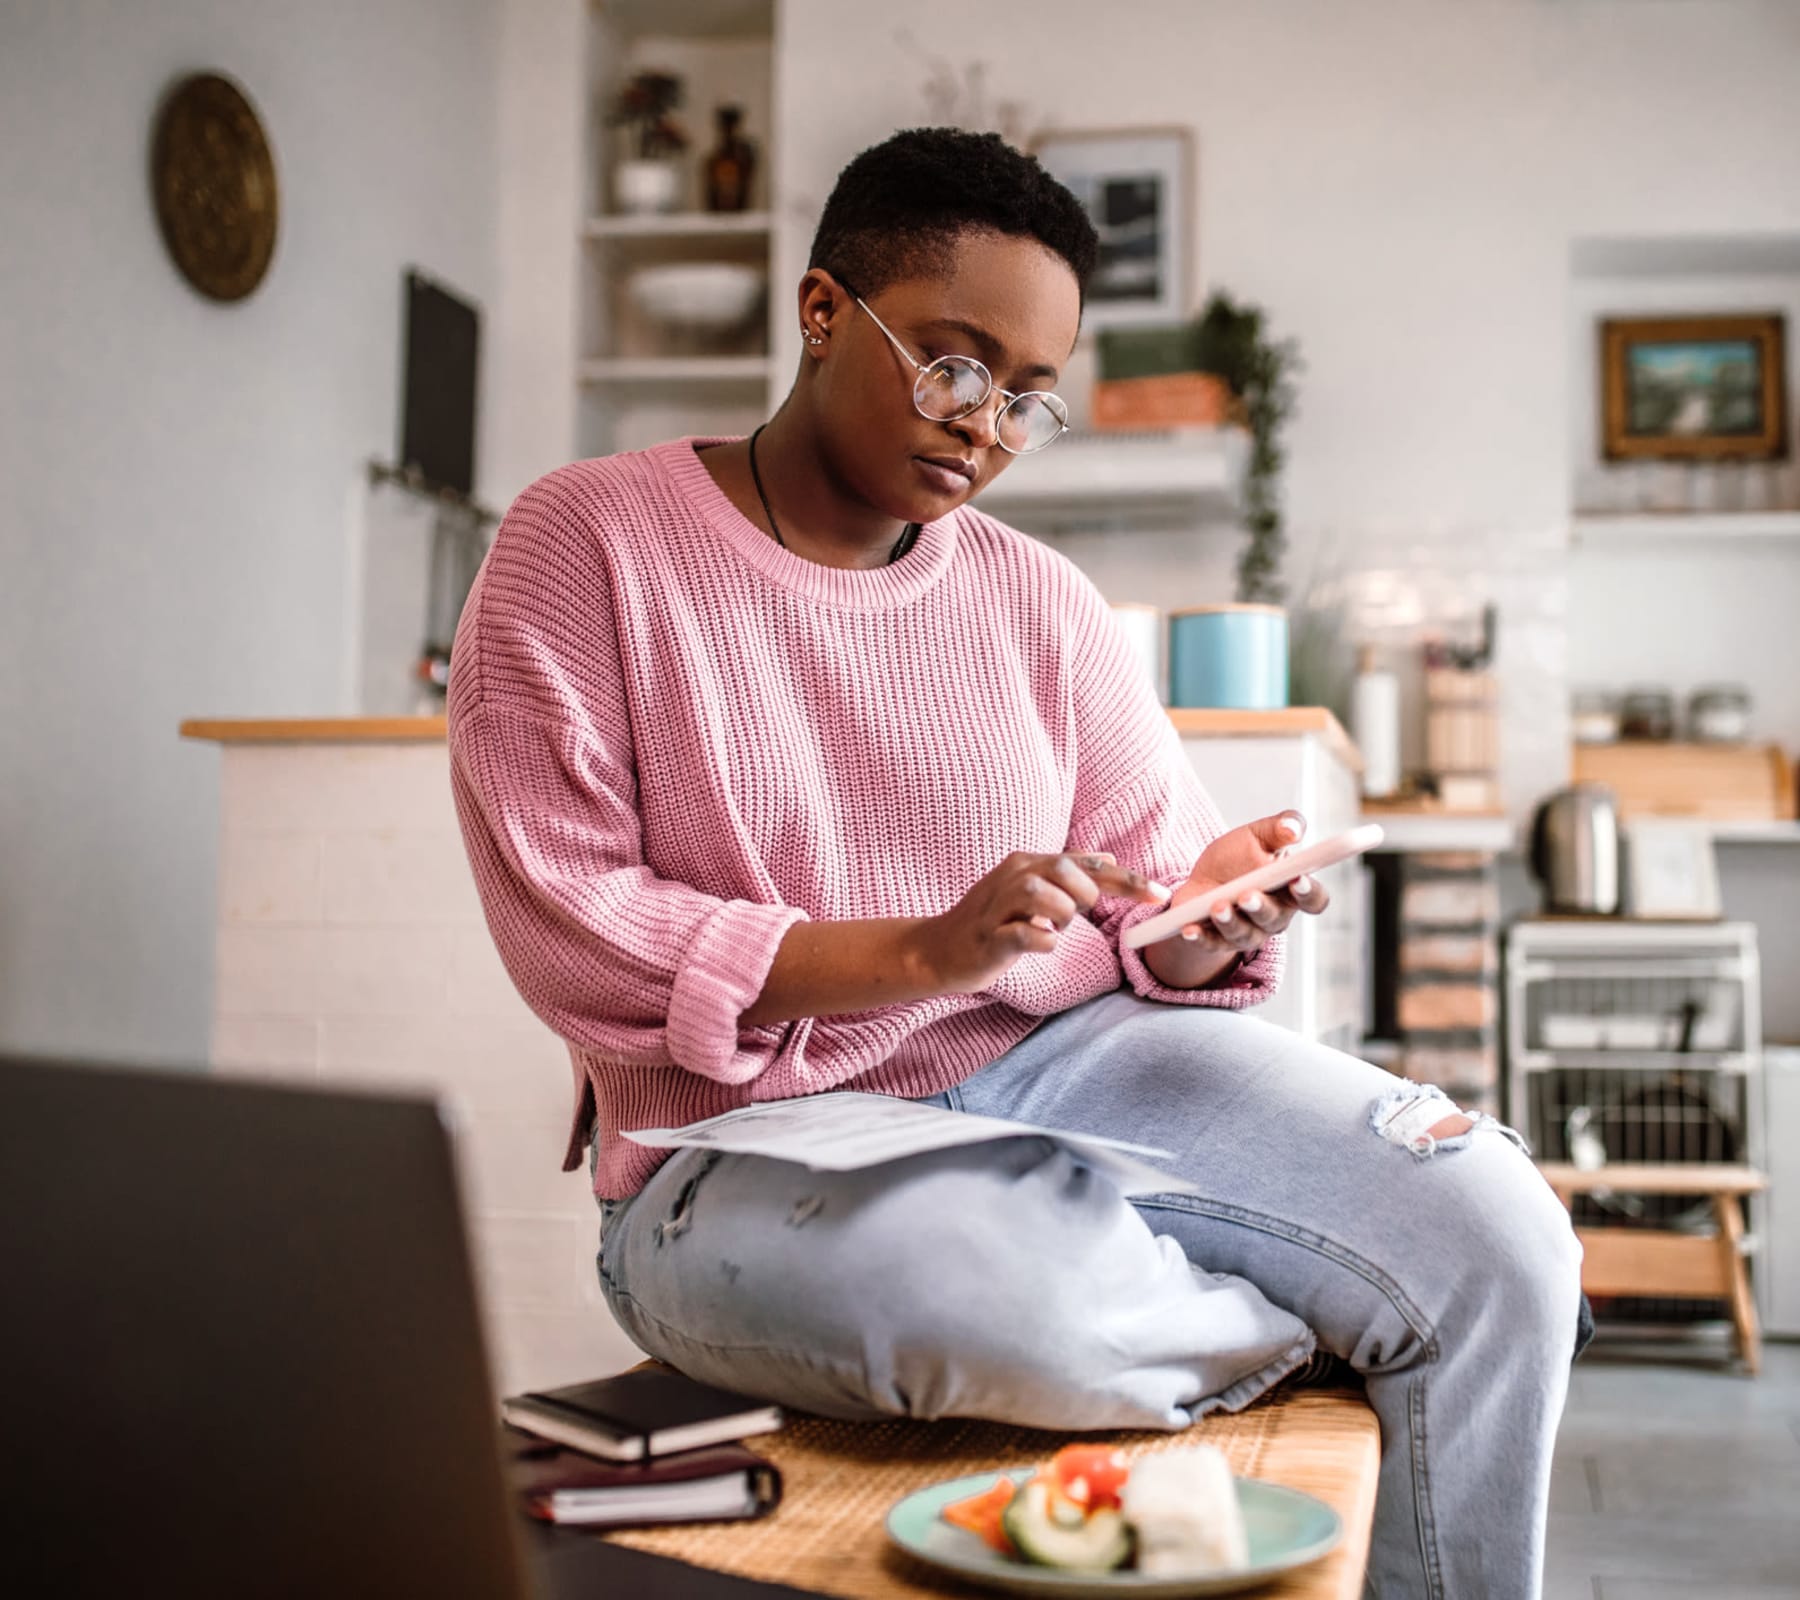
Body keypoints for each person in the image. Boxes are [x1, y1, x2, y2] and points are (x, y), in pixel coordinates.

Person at [448, 127, 1583, 1599]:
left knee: (1500, 1239)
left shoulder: (1038, 598)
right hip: (735, 1145)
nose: (985, 425)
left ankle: (1286, 1310)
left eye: (1029, 399)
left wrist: (1202, 913)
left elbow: (1149, 914)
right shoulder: (587, 540)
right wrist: (918, 954)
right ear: (818, 311)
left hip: (1068, 1068)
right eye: (954, 364)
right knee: (980, 1291)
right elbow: (574, 923)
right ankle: (1323, 1315)